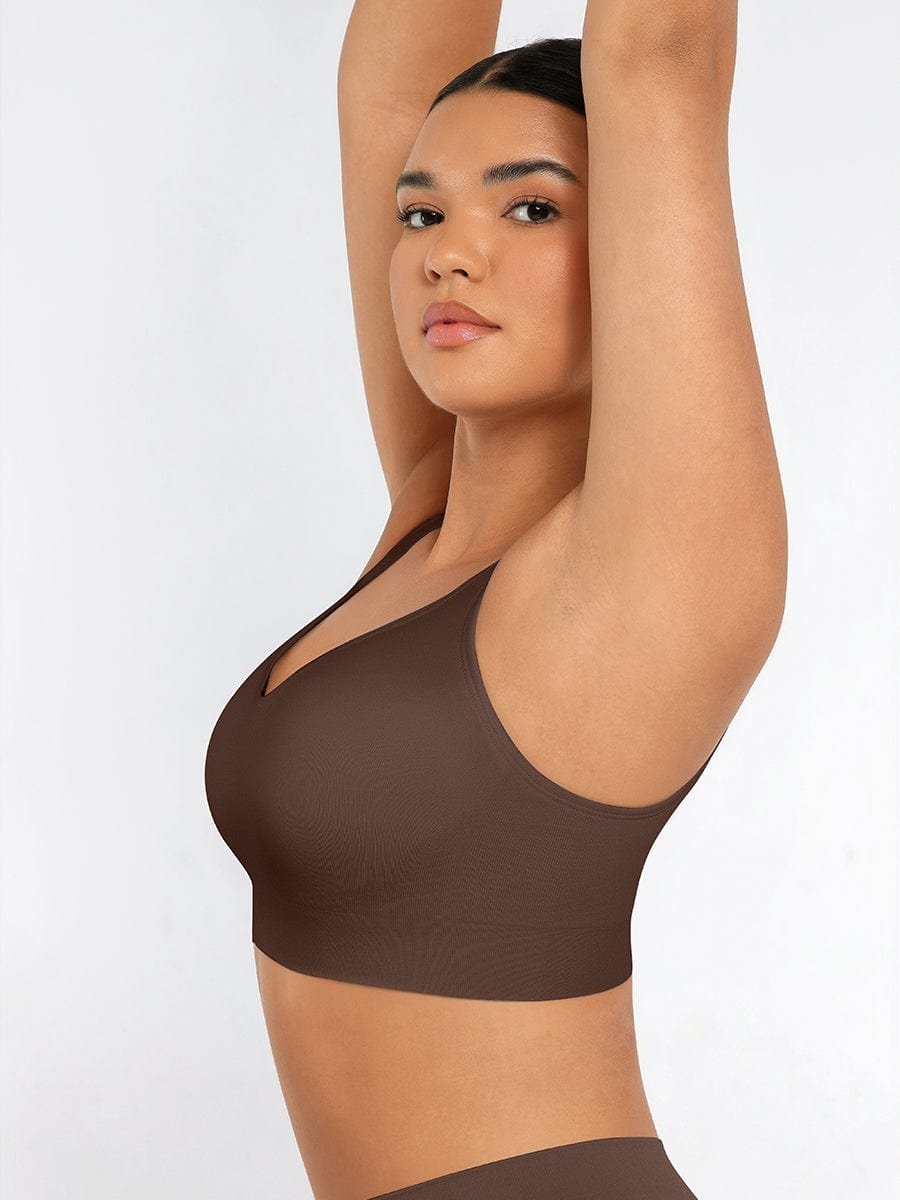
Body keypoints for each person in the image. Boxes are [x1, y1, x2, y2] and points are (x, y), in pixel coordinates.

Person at [205, 2, 787, 1197]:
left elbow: (659, 57)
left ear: (636, 238)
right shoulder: (429, 523)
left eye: (531, 208)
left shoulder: (657, 575)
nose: (448, 253)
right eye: (423, 214)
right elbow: (391, 78)